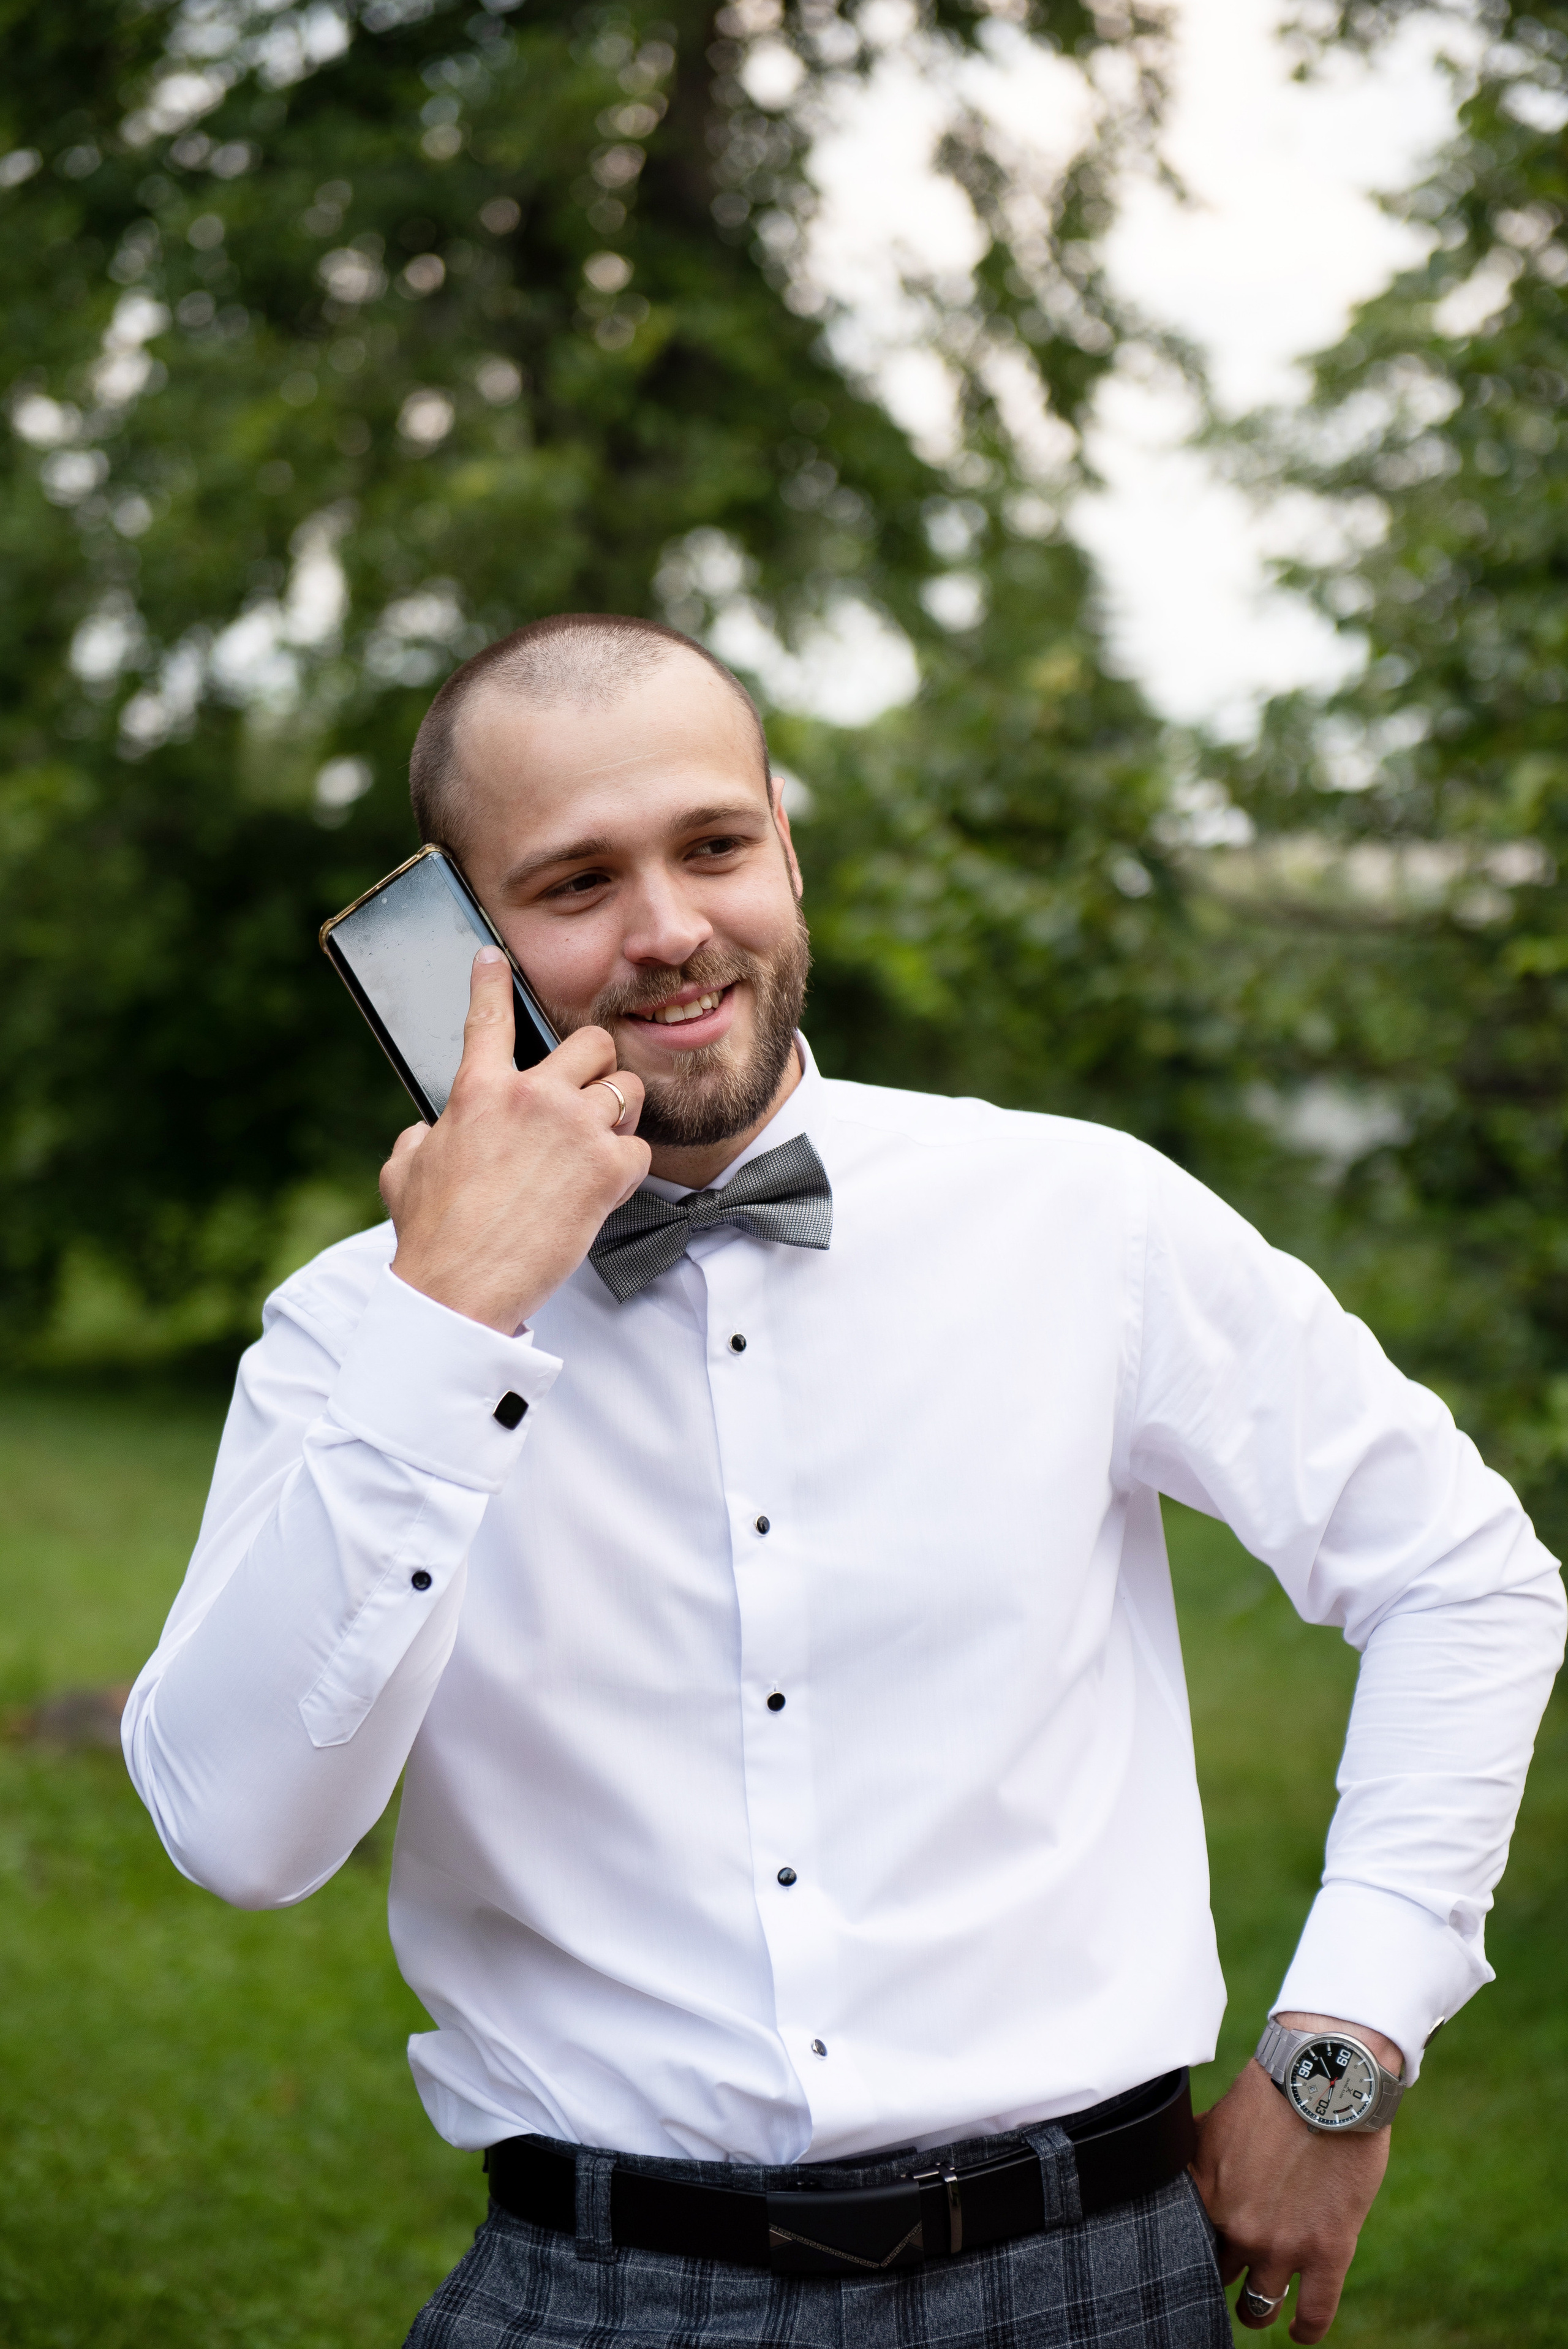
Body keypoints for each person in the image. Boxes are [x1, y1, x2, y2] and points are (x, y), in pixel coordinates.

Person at [124, 614, 1565, 2349]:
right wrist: (449, 1326)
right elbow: (242, 1836)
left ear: (787, 855)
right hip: (600, 2292)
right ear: (468, 947)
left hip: (1093, 2276)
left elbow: (1462, 1574)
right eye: (577, 882)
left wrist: (1345, 2046)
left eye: (714, 846)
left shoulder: (1082, 1215)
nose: (671, 929)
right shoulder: (356, 1333)